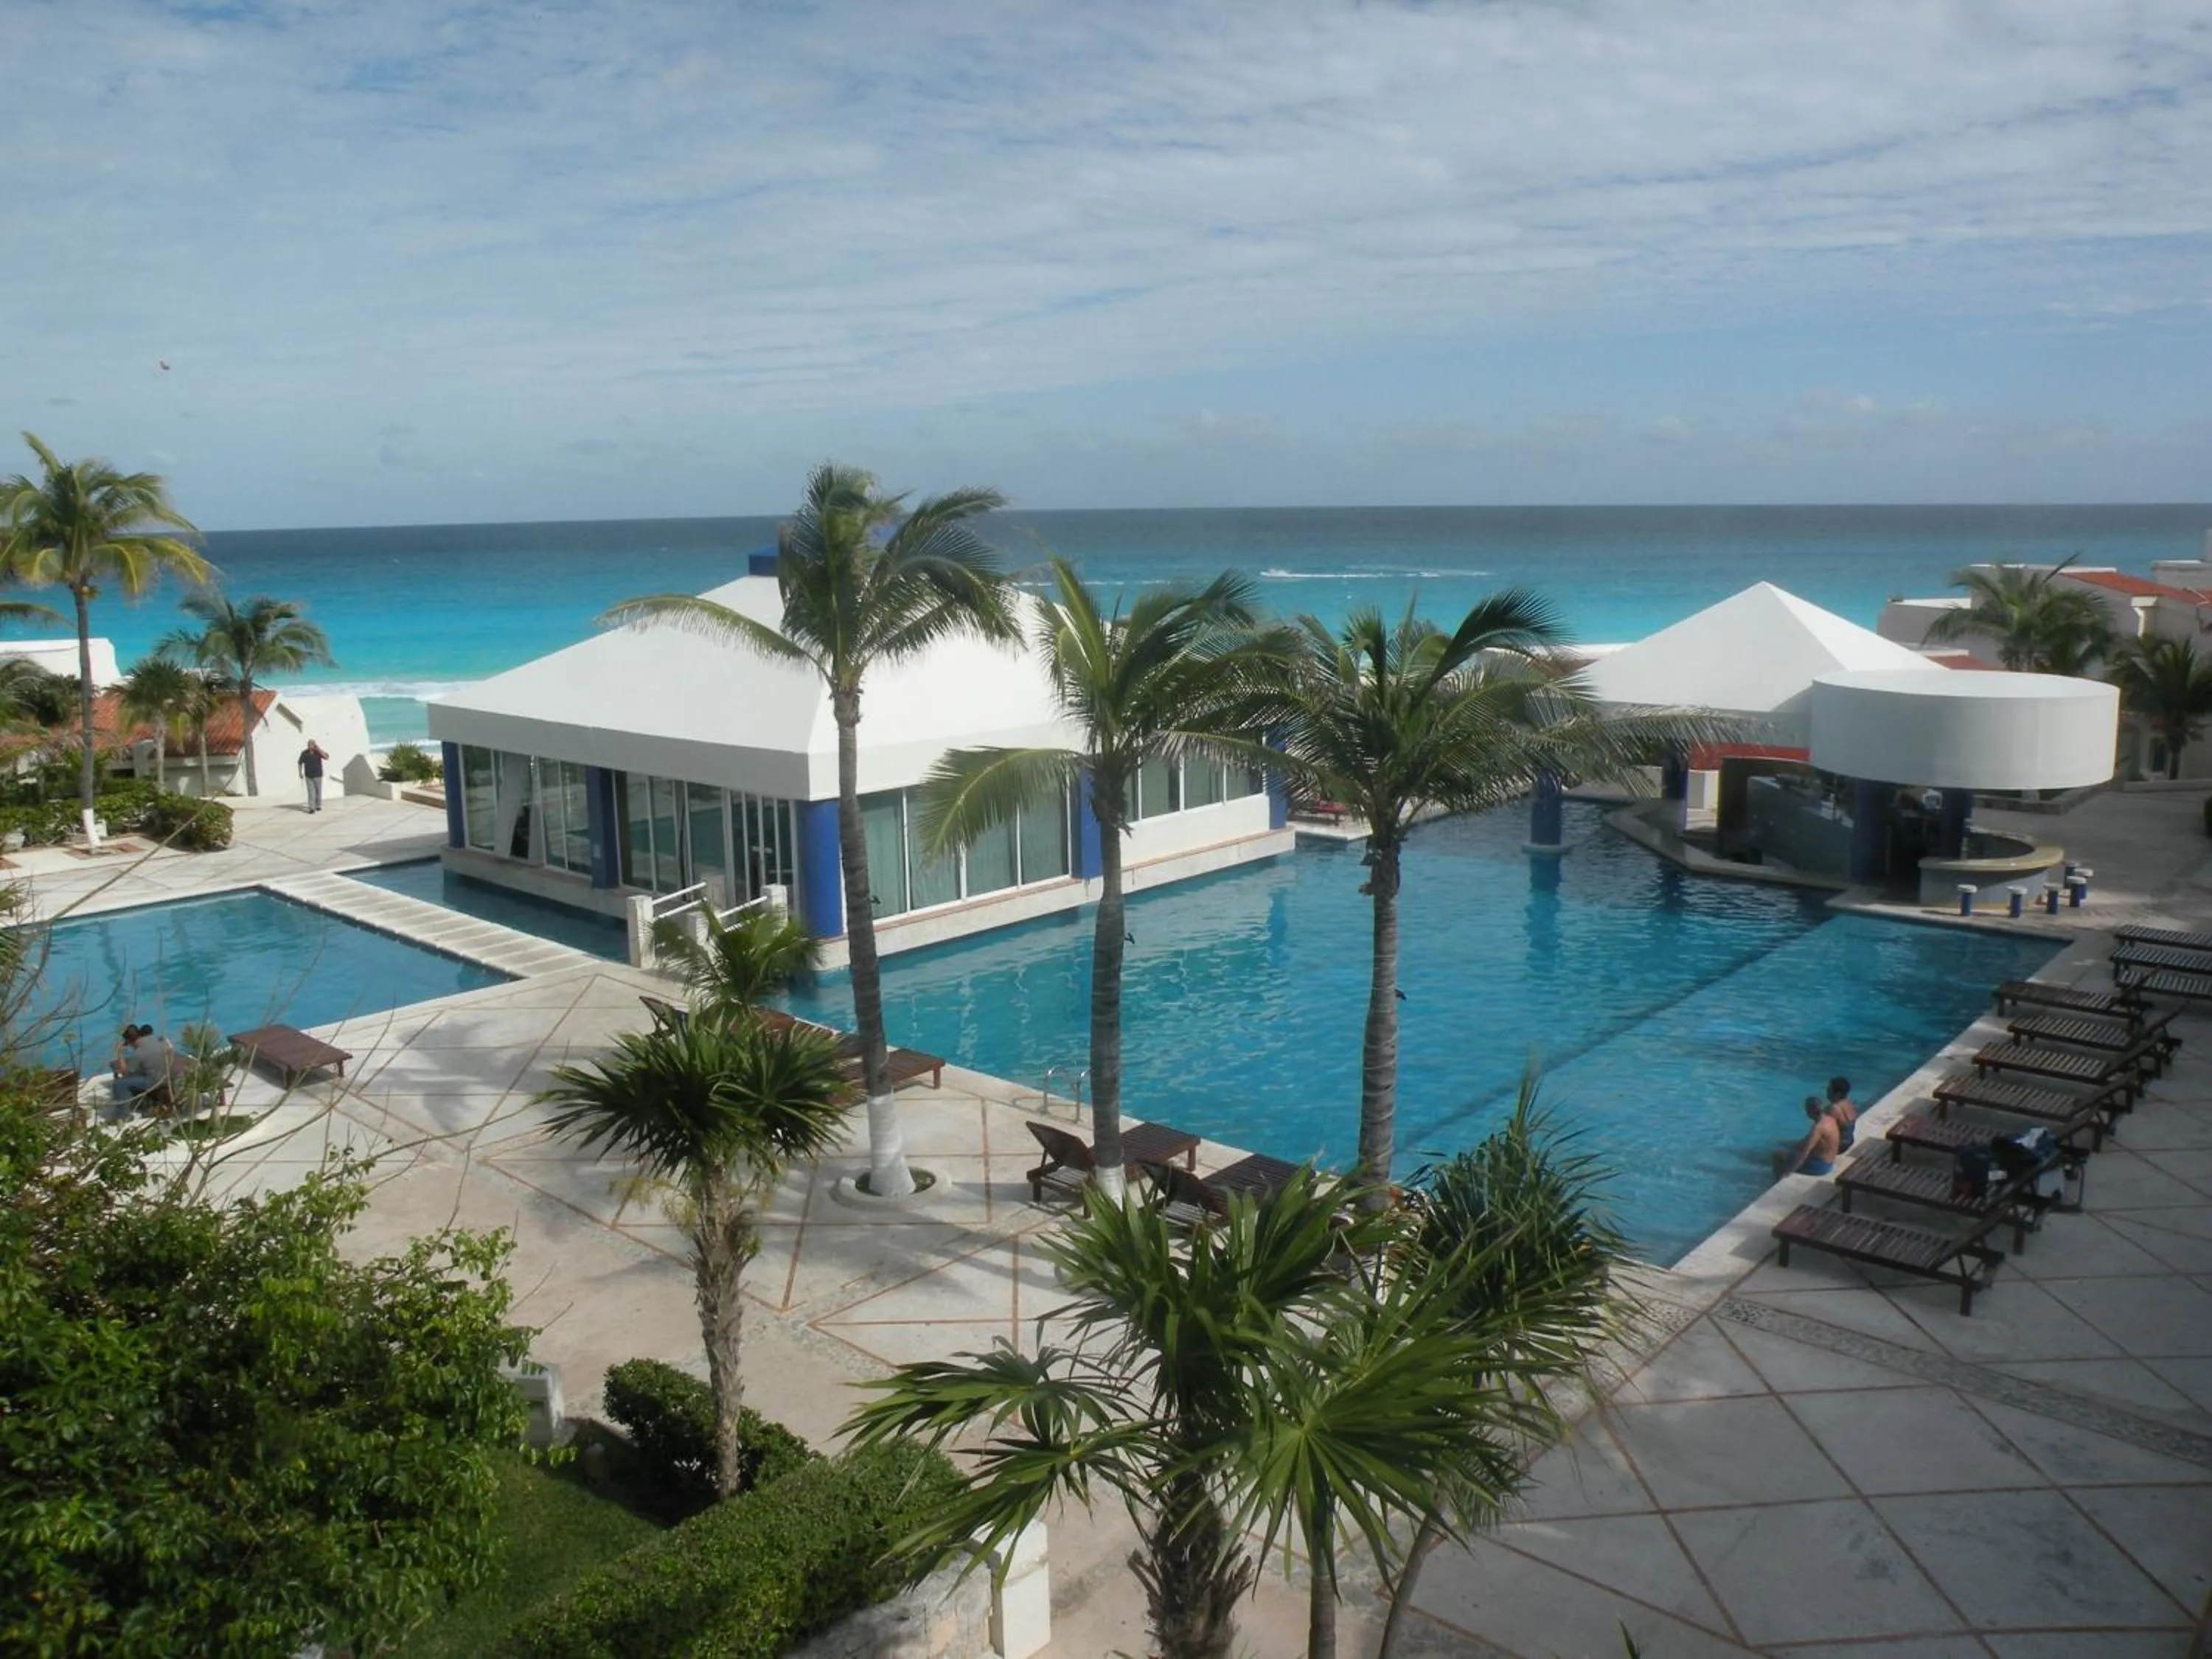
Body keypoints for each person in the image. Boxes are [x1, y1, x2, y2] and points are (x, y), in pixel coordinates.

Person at [1773, 1094, 1841, 1179]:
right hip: (1829, 1162)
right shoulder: (1830, 1119)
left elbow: (1804, 1153)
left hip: (1820, 1167)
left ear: (1810, 1111)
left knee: (1777, 1156)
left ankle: (1778, 1180)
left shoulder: (1818, 1128)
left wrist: (1789, 1171)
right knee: (1795, 1146)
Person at [109, 1023, 176, 1107]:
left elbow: (124, 1072)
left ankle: (122, 1112)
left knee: (120, 1084)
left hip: (154, 1081)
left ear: (129, 1041)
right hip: (167, 1077)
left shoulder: (139, 1052)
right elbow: (169, 1048)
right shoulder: (155, 1039)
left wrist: (120, 1053)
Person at [1825, 1075, 1858, 1152]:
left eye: (1829, 1089)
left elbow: (1821, 1130)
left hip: (1839, 1146)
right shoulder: (1849, 1103)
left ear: (1838, 1094)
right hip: (1849, 1141)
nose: (1827, 1091)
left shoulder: (1833, 1109)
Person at [299, 740, 329, 813]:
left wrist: (318, 749)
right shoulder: (304, 753)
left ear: (315, 745)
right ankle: (312, 808)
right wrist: (300, 773)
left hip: (318, 775)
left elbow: (326, 757)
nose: (310, 746)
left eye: (311, 744)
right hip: (309, 776)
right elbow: (300, 763)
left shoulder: (318, 752)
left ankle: (318, 805)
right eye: (309, 744)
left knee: (318, 792)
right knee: (311, 793)